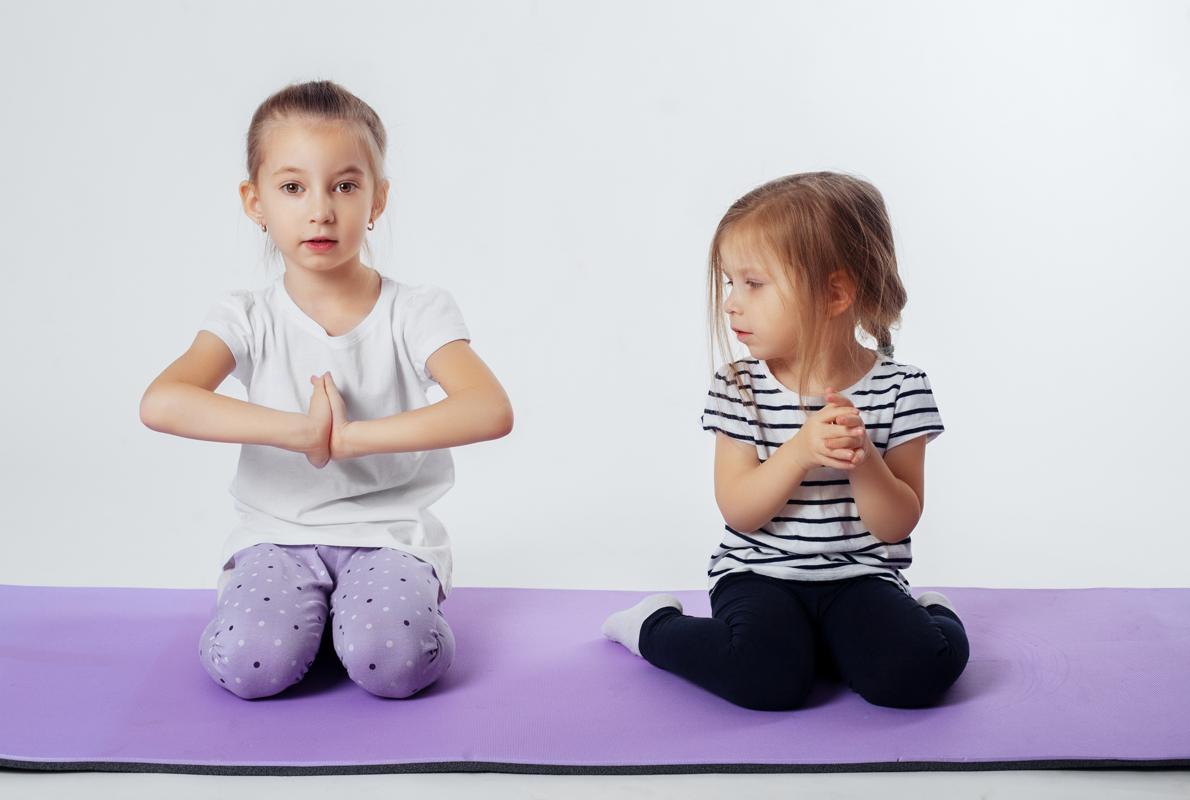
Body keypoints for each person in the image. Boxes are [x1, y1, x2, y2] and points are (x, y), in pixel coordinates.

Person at [139, 80, 513, 699]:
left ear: (378, 199)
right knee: (250, 666)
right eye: (292, 187)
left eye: (345, 185)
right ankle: (309, 626)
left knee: (392, 667)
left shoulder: (416, 310)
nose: (320, 209)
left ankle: (356, 627)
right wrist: (299, 432)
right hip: (276, 534)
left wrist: (350, 438)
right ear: (254, 200)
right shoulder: (246, 315)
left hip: (388, 534)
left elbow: (488, 408)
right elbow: (163, 400)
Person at [602, 171, 969, 711]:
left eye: (753, 283)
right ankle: (652, 626)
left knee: (918, 673)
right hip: (758, 573)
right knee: (763, 680)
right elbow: (740, 511)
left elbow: (897, 524)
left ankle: (930, 613)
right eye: (729, 283)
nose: (731, 303)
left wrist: (864, 461)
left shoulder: (901, 388)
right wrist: (798, 452)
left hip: (860, 575)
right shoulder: (739, 386)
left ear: (835, 292)